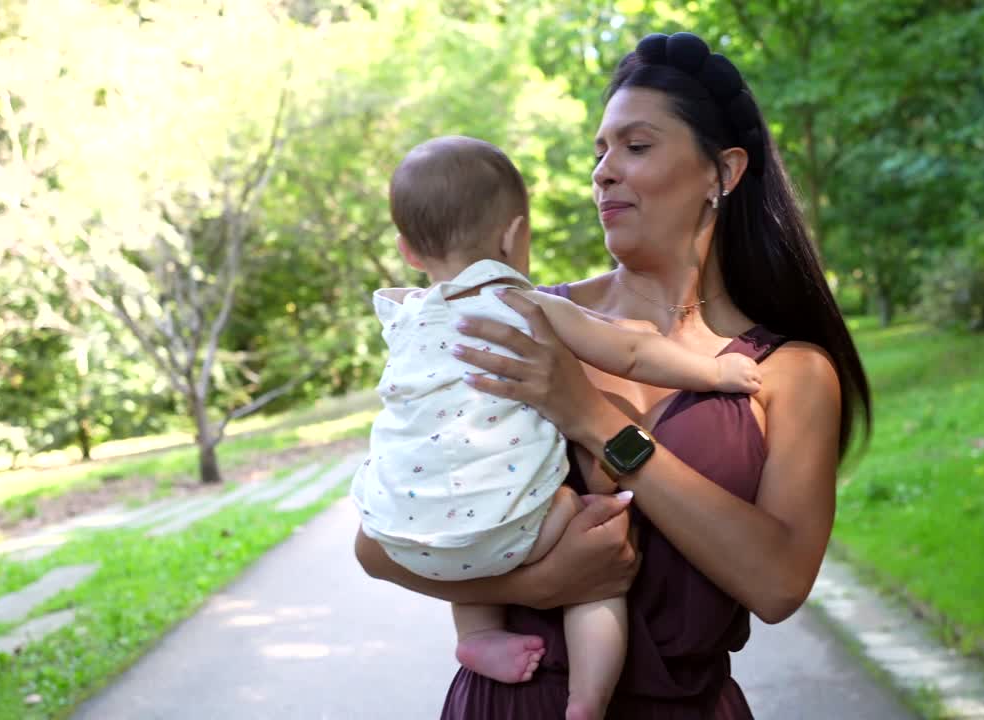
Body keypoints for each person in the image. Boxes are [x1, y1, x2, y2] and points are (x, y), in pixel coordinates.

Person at [355, 31, 872, 719]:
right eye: (599, 152)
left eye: (635, 146)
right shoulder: (521, 317)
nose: (603, 171)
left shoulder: (789, 371)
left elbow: (778, 585)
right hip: (512, 703)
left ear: (723, 172)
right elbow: (380, 543)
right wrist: (538, 585)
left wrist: (594, 421)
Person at [354, 135, 764, 720]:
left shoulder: (407, 320)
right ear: (513, 235)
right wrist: (714, 370)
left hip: (412, 528)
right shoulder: (526, 306)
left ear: (408, 251)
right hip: (520, 523)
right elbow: (628, 353)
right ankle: (588, 700)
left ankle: (477, 636)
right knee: (597, 552)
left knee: (462, 520)